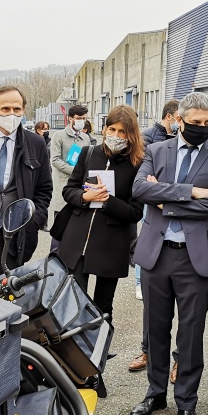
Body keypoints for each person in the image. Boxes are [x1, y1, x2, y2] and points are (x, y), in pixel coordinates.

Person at [129, 92, 208, 415]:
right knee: (155, 329)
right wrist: (192, 192)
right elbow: (139, 190)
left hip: (196, 257)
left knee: (191, 334)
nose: (202, 128)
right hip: (156, 255)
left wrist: (170, 198)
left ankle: (186, 402)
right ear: (179, 120)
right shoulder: (157, 150)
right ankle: (155, 394)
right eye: (196, 122)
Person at [57, 104, 144, 324]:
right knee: (74, 299)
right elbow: (69, 190)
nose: (116, 136)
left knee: (103, 304)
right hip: (77, 240)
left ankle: (99, 348)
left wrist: (109, 201)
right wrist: (84, 198)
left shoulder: (138, 164)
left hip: (111, 243)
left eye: (123, 131)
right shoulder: (89, 153)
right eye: (112, 129)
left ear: (131, 134)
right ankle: (72, 350)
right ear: (104, 129)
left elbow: (135, 212)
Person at [0, 86, 52, 283]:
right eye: (5, 109)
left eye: (17, 109)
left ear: (24, 110)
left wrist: (34, 221)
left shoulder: (36, 143)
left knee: (12, 289)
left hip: (18, 232)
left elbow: (44, 188)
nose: (11, 114)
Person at [131, 99, 180, 308]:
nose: (181, 122)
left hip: (172, 198)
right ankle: (140, 283)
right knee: (147, 238)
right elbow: (144, 174)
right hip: (151, 200)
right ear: (169, 116)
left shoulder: (180, 138)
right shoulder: (148, 137)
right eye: (178, 117)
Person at [49, 105, 89, 219]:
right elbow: (55, 160)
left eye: (83, 118)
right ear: (70, 118)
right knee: (61, 219)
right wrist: (75, 171)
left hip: (80, 184)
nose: (81, 121)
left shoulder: (85, 138)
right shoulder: (59, 136)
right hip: (63, 182)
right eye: (78, 118)